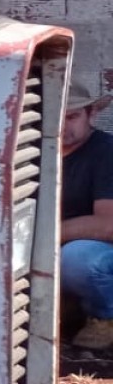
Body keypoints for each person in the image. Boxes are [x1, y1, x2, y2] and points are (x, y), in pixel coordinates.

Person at [61, 79, 113, 349]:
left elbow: (108, 225)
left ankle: (107, 317)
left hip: (97, 252)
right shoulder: (35, 153)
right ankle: (71, 307)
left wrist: (48, 235)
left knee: (78, 260)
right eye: (55, 117)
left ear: (91, 114)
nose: (62, 126)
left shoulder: (106, 152)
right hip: (50, 246)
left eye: (72, 116)